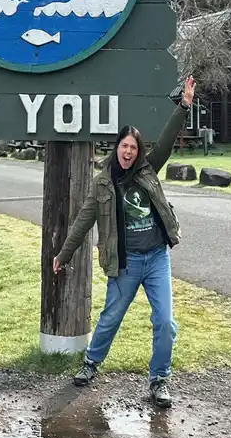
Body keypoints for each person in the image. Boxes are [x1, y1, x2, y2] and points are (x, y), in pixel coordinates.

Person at [52, 75, 195, 409]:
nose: (129, 151)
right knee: (111, 316)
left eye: (134, 147)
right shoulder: (102, 183)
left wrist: (184, 106)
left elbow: (168, 140)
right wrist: (64, 254)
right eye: (124, 146)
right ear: (116, 148)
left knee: (165, 322)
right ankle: (91, 363)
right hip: (126, 262)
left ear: (138, 150)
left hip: (157, 257)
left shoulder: (148, 168)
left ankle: (159, 379)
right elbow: (84, 220)